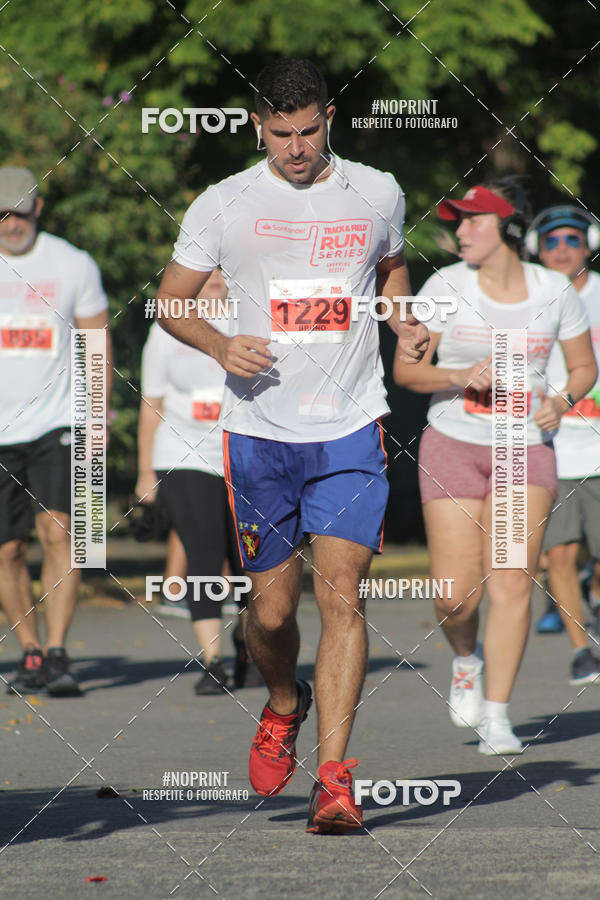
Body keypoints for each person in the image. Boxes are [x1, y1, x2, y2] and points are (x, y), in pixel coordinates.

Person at [155, 58, 429, 832]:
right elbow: (170, 300)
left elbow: (391, 266)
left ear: (329, 116)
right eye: (281, 133)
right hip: (259, 435)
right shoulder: (224, 202)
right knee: (271, 617)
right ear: (256, 126)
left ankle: (335, 781)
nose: (297, 147)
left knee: (344, 595)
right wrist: (218, 344)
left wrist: (401, 314)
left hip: (349, 425)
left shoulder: (377, 190)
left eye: (309, 130)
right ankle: (282, 703)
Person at [394, 178, 597, 755]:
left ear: (508, 228)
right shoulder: (445, 286)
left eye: (473, 221)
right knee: (454, 597)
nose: (460, 232)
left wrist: (561, 399)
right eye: (457, 222)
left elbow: (583, 366)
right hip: (453, 442)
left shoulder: (554, 290)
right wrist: (459, 376)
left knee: (511, 581)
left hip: (522, 447)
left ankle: (500, 716)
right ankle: (466, 661)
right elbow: (408, 373)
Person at [0, 165, 111, 696]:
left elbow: (96, 345)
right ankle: (30, 650)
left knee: (62, 530)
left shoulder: (73, 264)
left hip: (59, 422)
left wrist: (97, 421)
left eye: (21, 210)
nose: (12, 221)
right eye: (2, 212)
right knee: (6, 551)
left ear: (38, 208)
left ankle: (61, 651)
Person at [136, 269, 260, 692]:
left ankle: (248, 641)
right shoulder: (167, 326)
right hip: (183, 453)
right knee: (204, 556)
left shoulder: (253, 318)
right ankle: (213, 661)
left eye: (220, 269)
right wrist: (144, 473)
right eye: (202, 270)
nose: (211, 278)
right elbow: (151, 403)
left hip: (246, 454)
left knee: (251, 560)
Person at [525, 206, 600, 680]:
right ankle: (581, 650)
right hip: (552, 446)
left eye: (571, 240)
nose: (561, 249)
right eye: (551, 242)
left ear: (589, 244)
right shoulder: (524, 297)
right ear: (536, 249)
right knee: (559, 553)